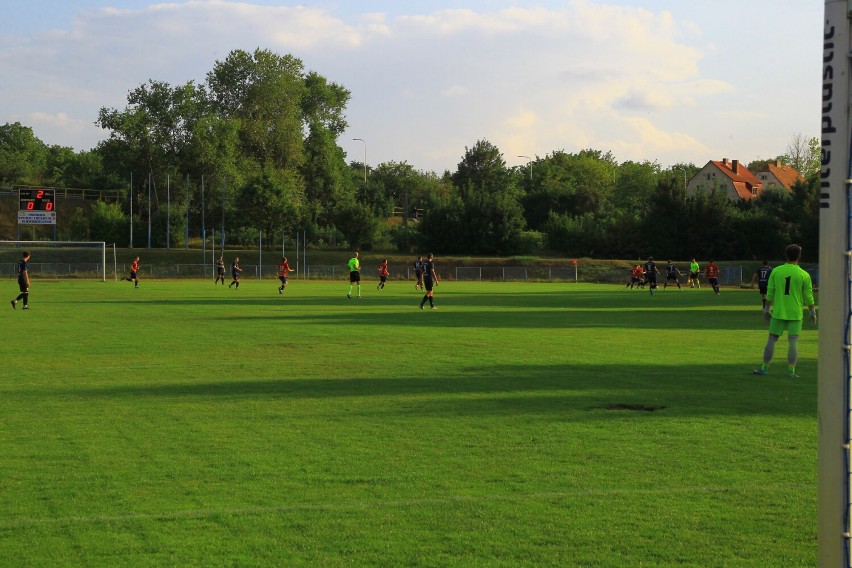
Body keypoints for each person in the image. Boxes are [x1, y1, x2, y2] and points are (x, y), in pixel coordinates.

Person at [753, 244, 816, 378]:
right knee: (793, 341)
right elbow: (808, 296)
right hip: (795, 312)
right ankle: (791, 371)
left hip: (779, 311)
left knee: (772, 339)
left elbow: (770, 292)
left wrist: (766, 309)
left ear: (786, 255)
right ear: (799, 256)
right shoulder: (804, 274)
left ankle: (764, 368)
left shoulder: (776, 271)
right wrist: (812, 311)